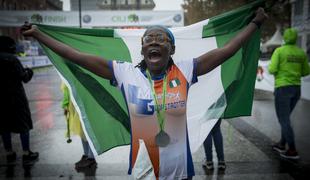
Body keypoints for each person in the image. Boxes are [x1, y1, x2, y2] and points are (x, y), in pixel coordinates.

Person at [21, 8, 267, 179]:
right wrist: (40, 34)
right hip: (144, 168)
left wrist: (255, 24)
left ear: (172, 49)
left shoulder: (186, 69)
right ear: (142, 49)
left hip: (180, 169)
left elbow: (229, 49)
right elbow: (77, 56)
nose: (154, 42)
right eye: (149, 39)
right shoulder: (124, 72)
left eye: (161, 39)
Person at [269, 28, 310, 160]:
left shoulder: (279, 51)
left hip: (283, 88)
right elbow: (306, 72)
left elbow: (272, 69)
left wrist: (281, 73)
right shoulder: (301, 52)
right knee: (286, 118)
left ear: (285, 38)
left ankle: (292, 150)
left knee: (284, 119)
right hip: (296, 89)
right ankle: (282, 144)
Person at [0, 36, 39, 164]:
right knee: (23, 125)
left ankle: (9, 152)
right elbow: (24, 78)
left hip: (1, 99)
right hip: (16, 97)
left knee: (4, 126)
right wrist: (29, 71)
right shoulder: (12, 59)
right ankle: (26, 153)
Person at [60, 82, 97, 169]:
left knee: (87, 131)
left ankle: (91, 158)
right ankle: (87, 155)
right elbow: (66, 89)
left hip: (83, 103)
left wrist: (65, 104)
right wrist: (66, 105)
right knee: (82, 131)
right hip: (77, 105)